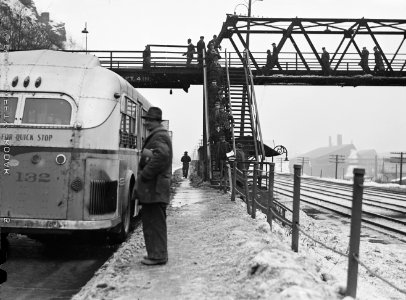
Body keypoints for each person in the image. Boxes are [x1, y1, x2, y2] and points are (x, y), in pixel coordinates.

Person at [137, 107, 173, 265]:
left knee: (155, 223)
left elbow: (161, 156)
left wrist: (145, 174)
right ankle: (156, 254)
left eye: (149, 120)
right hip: (155, 188)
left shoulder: (158, 136)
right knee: (152, 221)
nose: (146, 123)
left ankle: (158, 256)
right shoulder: (159, 134)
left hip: (155, 187)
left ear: (157, 121)